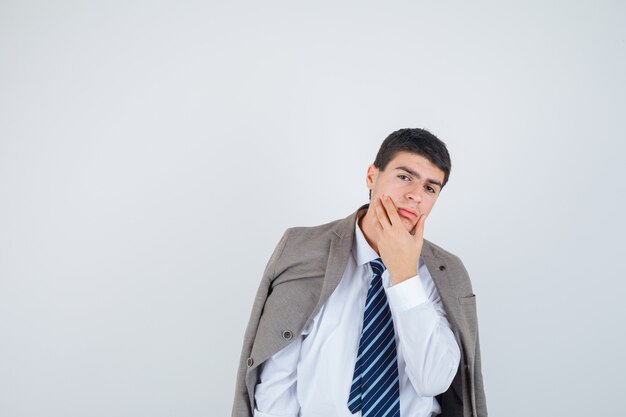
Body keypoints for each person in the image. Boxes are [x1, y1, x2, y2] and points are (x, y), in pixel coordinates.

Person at [232, 128, 487, 417]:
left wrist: (404, 276)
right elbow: (276, 382)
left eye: (430, 188)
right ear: (372, 176)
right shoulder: (303, 250)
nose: (415, 195)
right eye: (404, 177)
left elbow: (434, 380)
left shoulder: (446, 272)